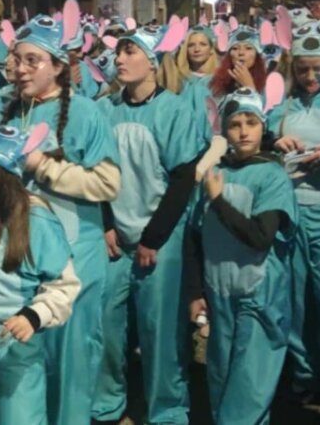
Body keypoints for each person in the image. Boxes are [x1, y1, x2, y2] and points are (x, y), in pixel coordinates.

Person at [0, 9, 121, 425]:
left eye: (33, 60)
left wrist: (43, 167)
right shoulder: (8, 112)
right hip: (21, 260)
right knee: (25, 370)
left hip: (76, 257)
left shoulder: (86, 113)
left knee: (71, 368)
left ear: (59, 67)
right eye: (17, 59)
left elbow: (107, 183)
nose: (21, 68)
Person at [92, 23, 202, 425]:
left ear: (153, 62)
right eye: (118, 52)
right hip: (115, 238)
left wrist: (153, 238)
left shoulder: (173, 109)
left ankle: (167, 411)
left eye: (130, 51)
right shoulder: (105, 109)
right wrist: (106, 223)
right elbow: (96, 170)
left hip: (161, 235)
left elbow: (183, 178)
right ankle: (106, 406)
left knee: (160, 332)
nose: (119, 59)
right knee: (106, 325)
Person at [0, 124, 80, 424]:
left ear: (5, 173)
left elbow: (64, 285)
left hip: (12, 349)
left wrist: (34, 316)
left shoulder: (36, 220)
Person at [186, 84, 297, 425]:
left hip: (258, 297)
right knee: (221, 382)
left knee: (248, 391)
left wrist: (219, 201)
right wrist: (195, 292)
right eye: (235, 124)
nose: (244, 131)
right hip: (220, 294)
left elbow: (260, 237)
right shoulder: (215, 173)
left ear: (263, 126)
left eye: (251, 122)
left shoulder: (272, 175)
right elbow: (194, 237)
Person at [268, 16, 320, 397]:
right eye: (303, 70)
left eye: (319, 68)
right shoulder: (282, 104)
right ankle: (304, 373)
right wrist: (275, 143)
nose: (311, 77)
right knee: (293, 296)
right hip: (289, 210)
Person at [209, 24, 267, 98]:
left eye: (248, 48)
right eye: (235, 48)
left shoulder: (269, 84)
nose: (241, 53)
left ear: (257, 54)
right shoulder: (215, 83)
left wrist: (249, 86)